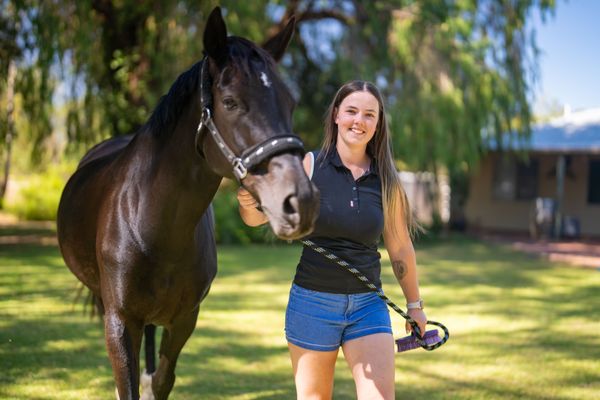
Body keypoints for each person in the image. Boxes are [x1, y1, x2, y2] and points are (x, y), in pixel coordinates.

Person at [237, 80, 427, 399]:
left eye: (369, 114)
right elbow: (258, 218)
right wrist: (248, 199)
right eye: (352, 111)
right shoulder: (309, 165)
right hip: (312, 303)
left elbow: (399, 246)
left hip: (368, 305)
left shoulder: (387, 179)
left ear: (378, 124)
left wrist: (415, 305)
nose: (359, 121)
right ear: (336, 115)